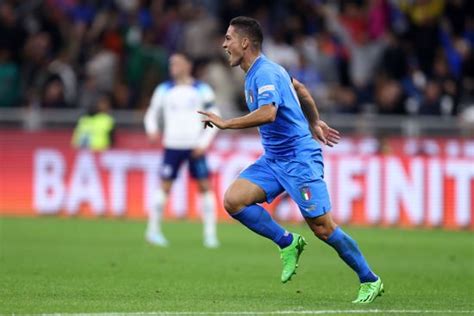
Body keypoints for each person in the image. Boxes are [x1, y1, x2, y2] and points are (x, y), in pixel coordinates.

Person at [199, 16, 383, 303]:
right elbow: (301, 90)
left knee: (323, 228)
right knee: (233, 200)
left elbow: (268, 112)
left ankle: (370, 279)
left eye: (228, 38)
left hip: (299, 159)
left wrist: (226, 123)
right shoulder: (261, 72)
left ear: (245, 42)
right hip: (274, 159)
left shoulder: (265, 74)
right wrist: (315, 121)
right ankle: (287, 242)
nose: (224, 44)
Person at [144, 52, 219, 248]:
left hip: (195, 146)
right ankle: (152, 231)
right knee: (165, 186)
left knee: (205, 186)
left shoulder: (201, 89)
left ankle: (210, 235)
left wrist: (204, 142)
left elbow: (214, 116)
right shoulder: (164, 90)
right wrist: (152, 130)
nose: (173, 67)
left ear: (188, 65)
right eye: (171, 63)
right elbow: (152, 113)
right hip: (172, 145)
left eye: (176, 63)